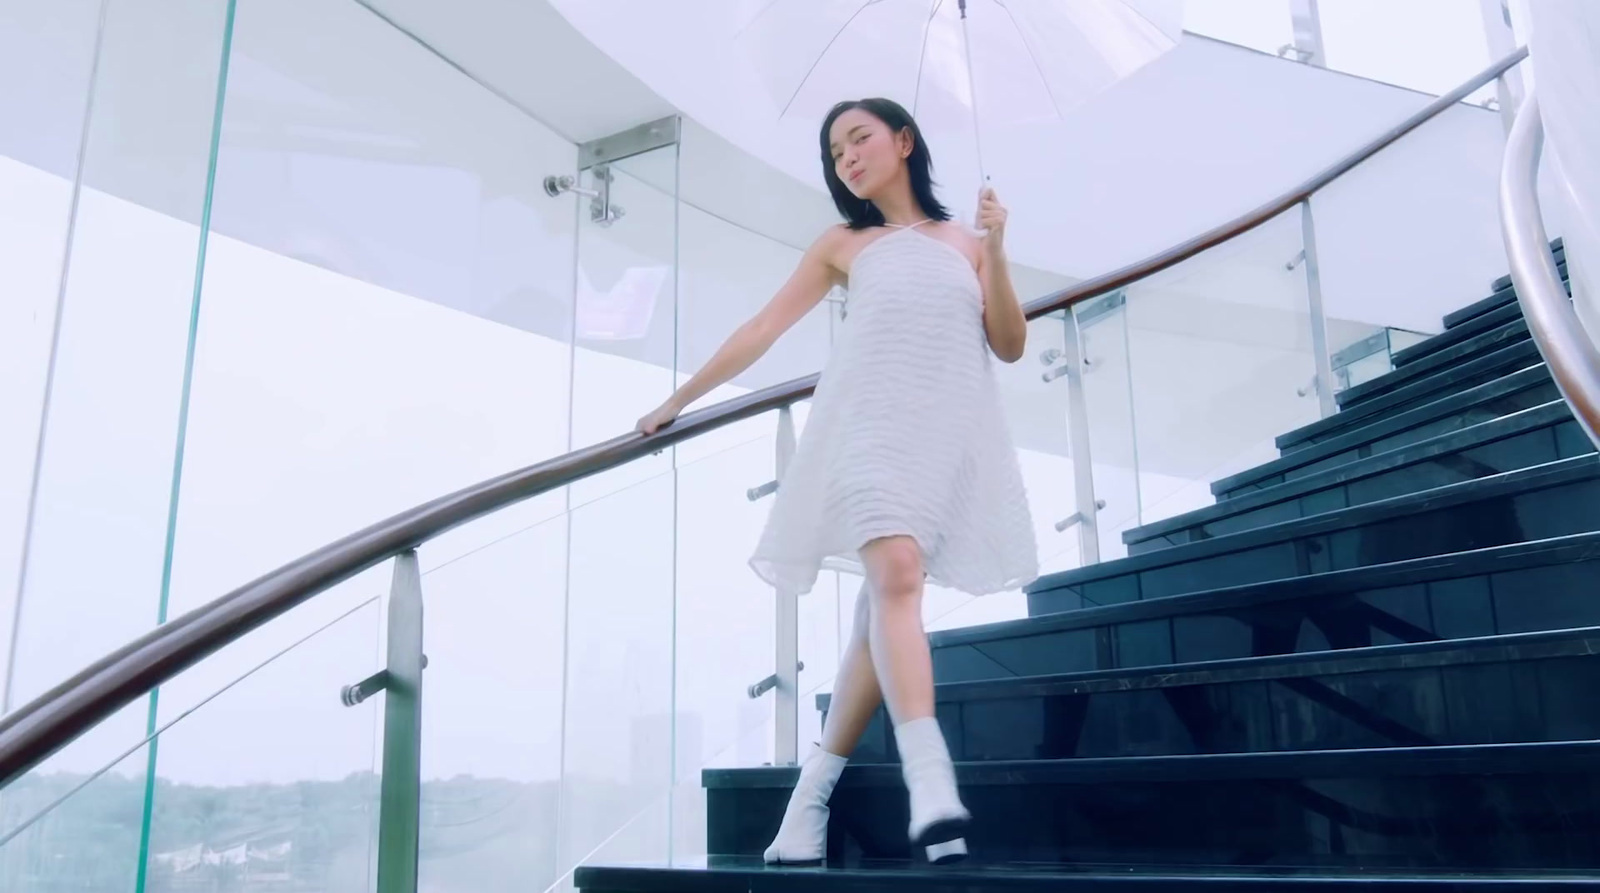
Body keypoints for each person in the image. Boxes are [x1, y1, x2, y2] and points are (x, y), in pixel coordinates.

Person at [636, 97, 1039, 865]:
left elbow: (1010, 345)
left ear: (904, 141)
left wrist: (999, 245)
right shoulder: (844, 244)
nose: (847, 157)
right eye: (835, 151)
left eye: (859, 138)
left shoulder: (969, 243)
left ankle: (807, 802)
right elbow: (762, 327)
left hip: (939, 441)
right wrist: (678, 400)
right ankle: (931, 780)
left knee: (880, 609)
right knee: (895, 574)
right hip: (866, 430)